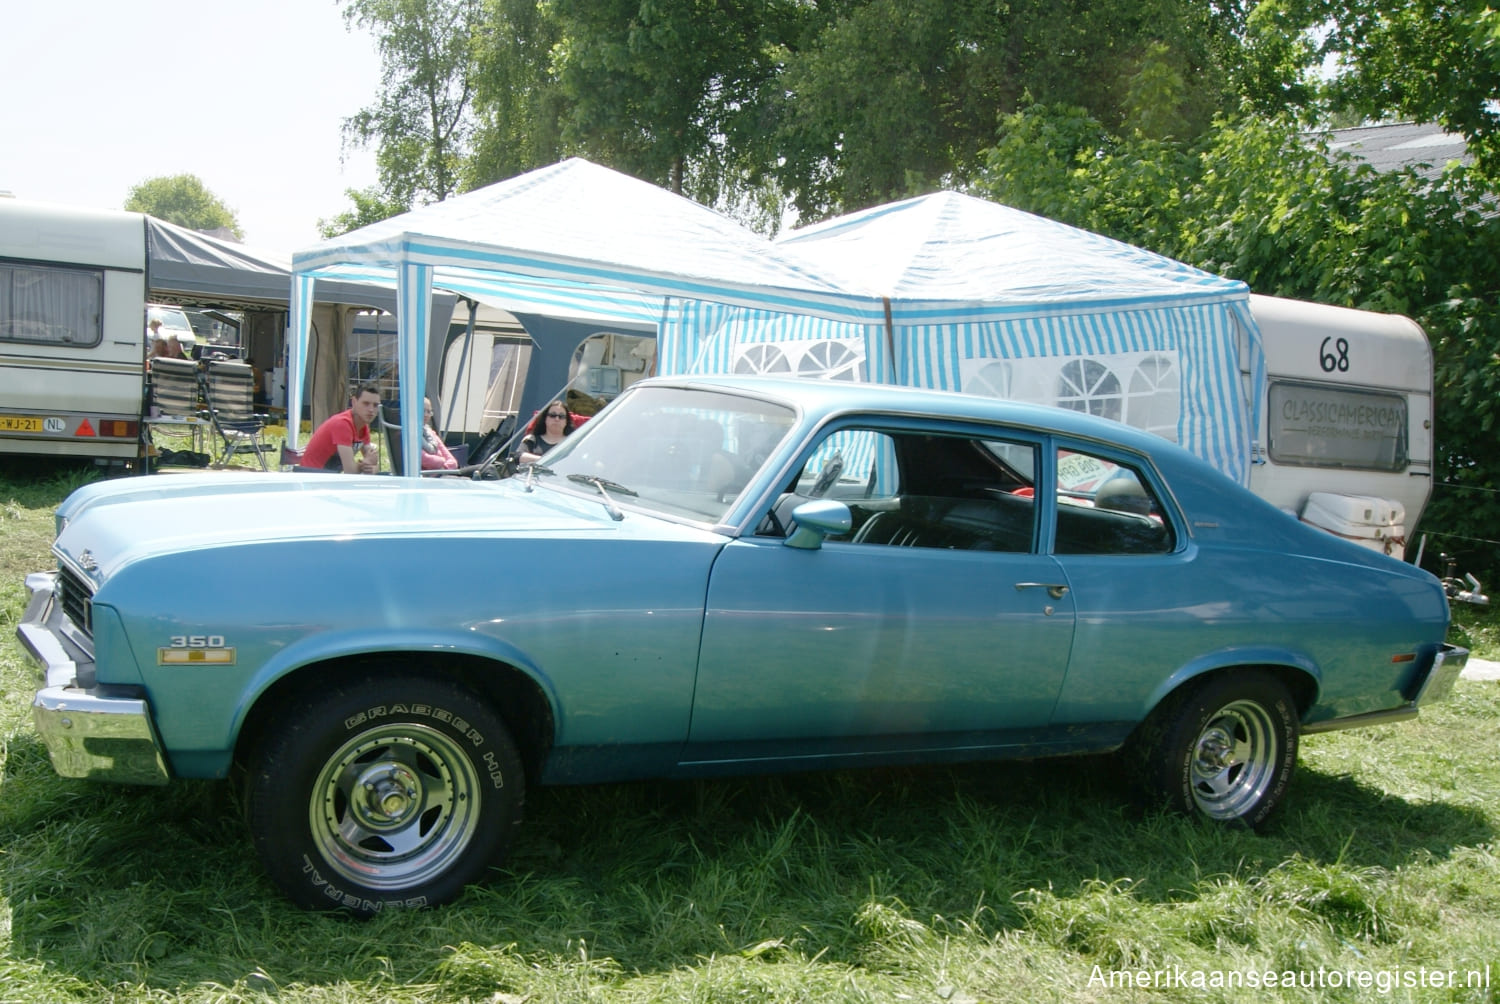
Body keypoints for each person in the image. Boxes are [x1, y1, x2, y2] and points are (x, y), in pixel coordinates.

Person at [300, 384, 382, 473]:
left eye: (375, 405)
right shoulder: (342, 424)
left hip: (330, 477)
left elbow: (373, 462)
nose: (371, 409)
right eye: (366, 404)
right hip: (311, 476)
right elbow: (350, 471)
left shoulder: (363, 426)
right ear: (354, 402)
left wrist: (372, 468)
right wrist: (365, 463)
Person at [420, 397, 458, 471]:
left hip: (441, 475)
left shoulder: (432, 433)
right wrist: (442, 461)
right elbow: (424, 459)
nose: (426, 414)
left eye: (428, 411)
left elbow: (453, 462)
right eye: (422, 410)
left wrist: (444, 468)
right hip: (426, 478)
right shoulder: (410, 435)